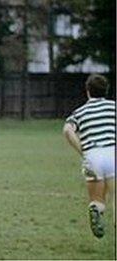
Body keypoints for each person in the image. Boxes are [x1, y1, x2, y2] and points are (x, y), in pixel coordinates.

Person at [63, 74, 115, 238]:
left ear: (87, 91)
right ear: (106, 90)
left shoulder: (80, 112)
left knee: (97, 199)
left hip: (92, 156)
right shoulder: (113, 107)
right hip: (112, 152)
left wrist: (83, 151)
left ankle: (96, 209)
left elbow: (67, 130)